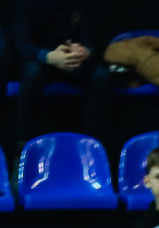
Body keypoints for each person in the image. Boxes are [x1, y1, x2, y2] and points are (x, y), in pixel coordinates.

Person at [14, 0, 111, 145]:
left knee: (102, 76)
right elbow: (22, 45)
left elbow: (91, 41)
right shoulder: (27, 3)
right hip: (42, 60)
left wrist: (84, 51)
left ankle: (92, 145)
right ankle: (23, 143)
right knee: (31, 73)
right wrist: (48, 56)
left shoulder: (85, 4)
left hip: (73, 60)